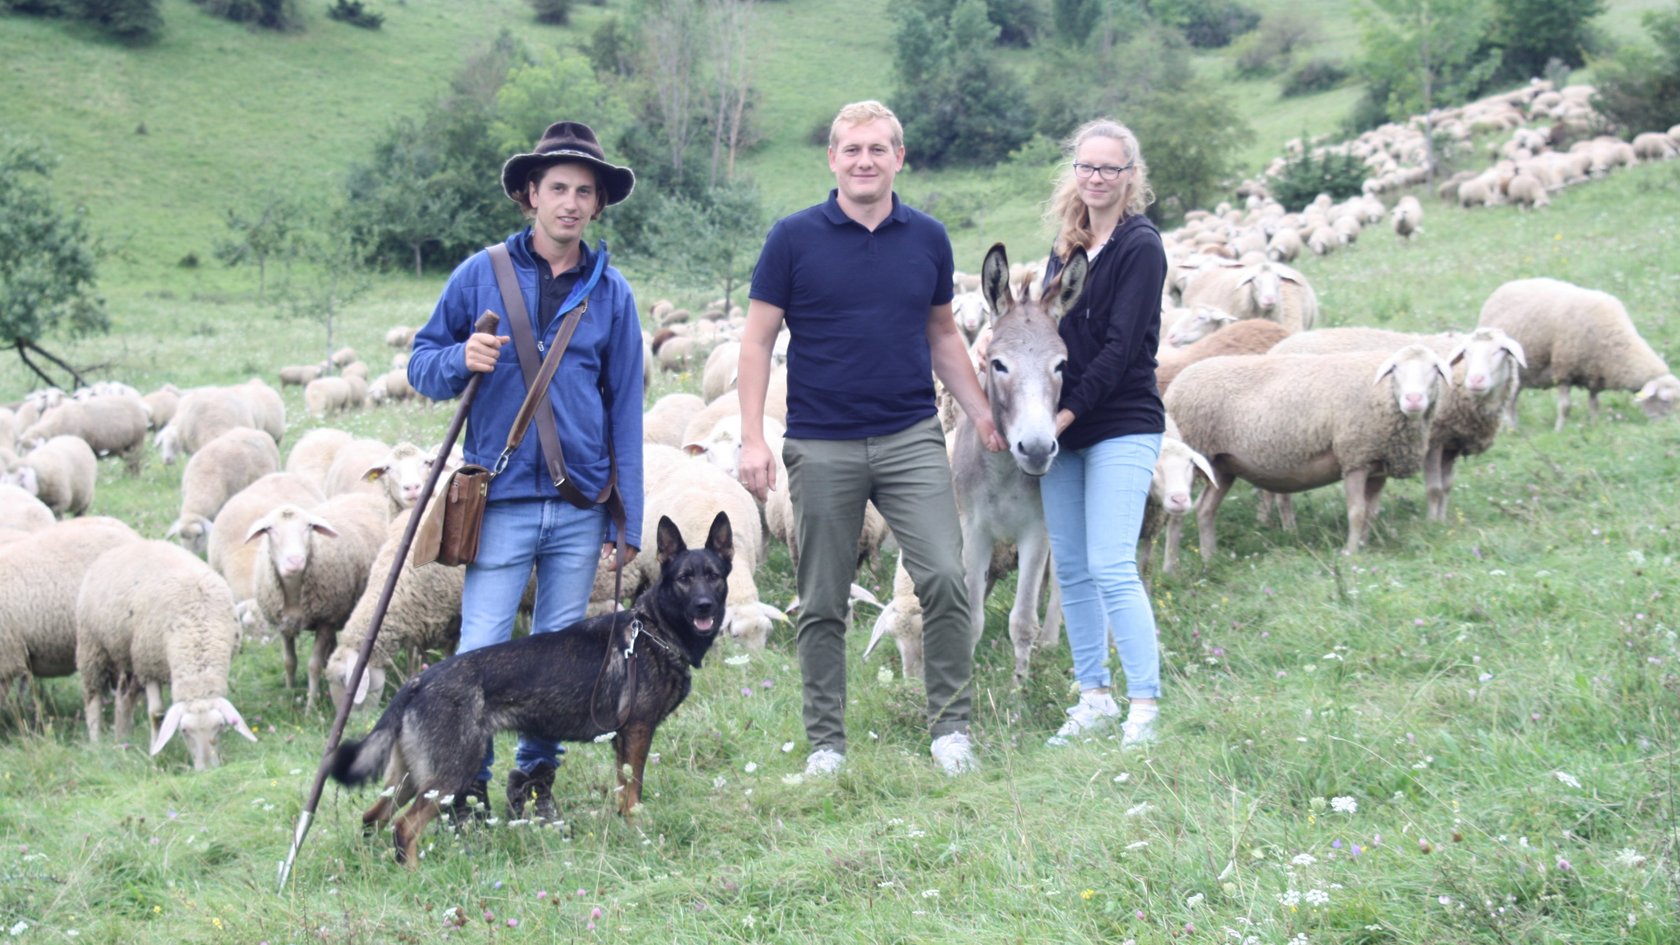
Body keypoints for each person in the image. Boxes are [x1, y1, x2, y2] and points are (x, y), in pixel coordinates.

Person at [736, 100, 1006, 778]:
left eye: (877, 149)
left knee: (945, 576)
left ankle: (950, 730)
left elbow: (944, 335)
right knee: (823, 595)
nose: (864, 160)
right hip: (820, 442)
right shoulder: (792, 238)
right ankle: (826, 742)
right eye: (851, 149)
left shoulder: (928, 238)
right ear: (833, 159)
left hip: (911, 435)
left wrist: (979, 412)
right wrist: (750, 437)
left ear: (898, 158)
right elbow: (758, 340)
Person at [407, 121, 645, 819]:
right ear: (530, 195)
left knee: (560, 664)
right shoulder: (479, 274)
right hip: (502, 502)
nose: (570, 203)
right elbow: (421, 365)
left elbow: (625, 404)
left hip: (579, 506)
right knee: (482, 648)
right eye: (558, 188)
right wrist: (460, 360)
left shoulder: (613, 293)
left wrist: (625, 509)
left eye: (584, 191)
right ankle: (464, 784)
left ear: (598, 205)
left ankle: (534, 782)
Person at [1037, 119, 1167, 749]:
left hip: (1119, 421)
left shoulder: (1141, 246)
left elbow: (1120, 350)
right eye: (1086, 167)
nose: (1095, 178)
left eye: (1108, 169)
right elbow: (1043, 332)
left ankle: (1144, 704)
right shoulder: (1067, 247)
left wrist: (1062, 418)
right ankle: (1094, 697)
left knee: (1112, 563)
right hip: (1062, 429)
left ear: (1129, 177)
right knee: (1073, 567)